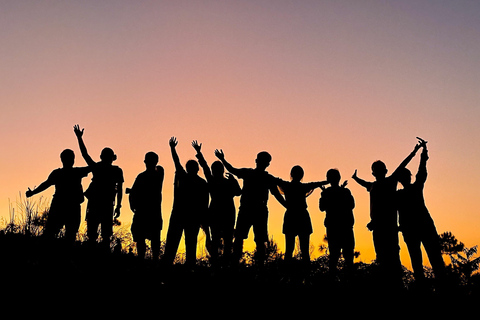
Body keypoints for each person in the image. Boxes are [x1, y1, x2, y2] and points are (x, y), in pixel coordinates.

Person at [352, 141, 421, 287]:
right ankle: (389, 284)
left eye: (378, 169)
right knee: (383, 257)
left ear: (384, 171)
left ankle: (396, 285)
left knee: (392, 256)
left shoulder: (390, 182)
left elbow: (402, 165)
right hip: (379, 227)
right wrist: (355, 178)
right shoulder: (374, 185)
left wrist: (414, 152)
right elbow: (364, 183)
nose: (377, 172)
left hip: (388, 226)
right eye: (376, 170)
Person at [215, 148, 287, 266]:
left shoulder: (252, 174)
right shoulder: (263, 177)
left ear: (257, 161)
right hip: (253, 210)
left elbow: (232, 169)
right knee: (249, 239)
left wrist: (222, 159)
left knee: (245, 238)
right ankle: (253, 265)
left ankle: (238, 264)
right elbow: (277, 194)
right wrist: (287, 206)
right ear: (267, 163)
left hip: (250, 210)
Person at [396, 138, 445, 284]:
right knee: (430, 259)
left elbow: (421, 172)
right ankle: (439, 286)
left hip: (416, 229)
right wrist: (423, 153)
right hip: (419, 228)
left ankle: (427, 287)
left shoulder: (400, 195)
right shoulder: (409, 191)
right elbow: (421, 172)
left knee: (422, 260)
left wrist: (423, 153)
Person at [73, 125, 124, 252]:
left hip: (100, 203)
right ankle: (100, 255)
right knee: (103, 234)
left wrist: (79, 138)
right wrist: (118, 205)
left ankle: (94, 254)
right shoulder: (115, 170)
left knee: (96, 234)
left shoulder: (99, 168)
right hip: (104, 204)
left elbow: (85, 154)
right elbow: (120, 189)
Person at [192, 141, 241, 267]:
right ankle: (222, 263)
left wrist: (199, 152)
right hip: (223, 213)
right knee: (224, 240)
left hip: (221, 213)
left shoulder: (216, 181)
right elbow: (238, 192)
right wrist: (198, 152)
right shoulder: (221, 182)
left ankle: (219, 263)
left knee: (222, 239)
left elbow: (205, 167)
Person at [26, 149, 91, 244]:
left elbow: (46, 184)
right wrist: (33, 192)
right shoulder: (76, 172)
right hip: (67, 206)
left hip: (62, 205)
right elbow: (93, 166)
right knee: (64, 234)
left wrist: (33, 192)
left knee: (56, 233)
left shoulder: (59, 173)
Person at [162, 137, 209, 268]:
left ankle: (170, 267)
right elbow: (205, 204)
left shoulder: (190, 179)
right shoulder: (200, 182)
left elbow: (204, 204)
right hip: (186, 217)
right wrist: (172, 149)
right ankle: (186, 268)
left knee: (178, 243)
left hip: (183, 216)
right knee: (186, 243)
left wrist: (172, 148)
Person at [274, 165, 328, 266]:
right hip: (302, 216)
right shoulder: (303, 187)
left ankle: (287, 273)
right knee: (304, 250)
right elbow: (316, 184)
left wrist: (284, 203)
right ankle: (305, 273)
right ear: (302, 175)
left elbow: (274, 181)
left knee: (289, 249)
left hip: (291, 215)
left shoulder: (287, 186)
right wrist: (327, 181)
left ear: (291, 175)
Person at [128, 151, 164, 260]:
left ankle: (145, 260)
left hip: (147, 212)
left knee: (146, 239)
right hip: (149, 212)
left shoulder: (150, 175)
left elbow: (133, 192)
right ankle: (150, 261)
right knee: (145, 239)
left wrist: (133, 204)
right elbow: (133, 193)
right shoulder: (154, 175)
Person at [319, 168, 355, 277]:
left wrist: (324, 195)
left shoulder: (327, 192)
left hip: (334, 228)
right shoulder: (345, 191)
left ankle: (333, 282)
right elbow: (352, 205)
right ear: (339, 178)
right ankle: (349, 280)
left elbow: (321, 207)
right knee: (348, 257)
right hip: (345, 228)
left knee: (334, 257)